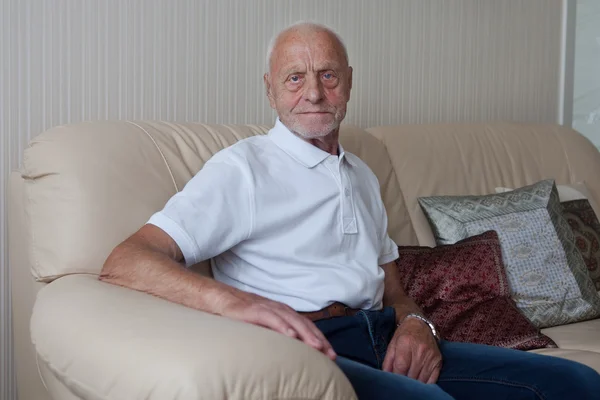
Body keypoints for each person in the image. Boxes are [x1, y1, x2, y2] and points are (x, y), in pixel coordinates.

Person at [99, 21, 600, 400]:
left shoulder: (361, 174)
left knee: (575, 381)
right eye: (295, 78)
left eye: (327, 75)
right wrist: (236, 304)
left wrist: (415, 326)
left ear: (349, 83)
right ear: (270, 90)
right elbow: (125, 261)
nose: (313, 92)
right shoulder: (243, 169)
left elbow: (395, 289)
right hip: (302, 347)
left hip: (381, 334)